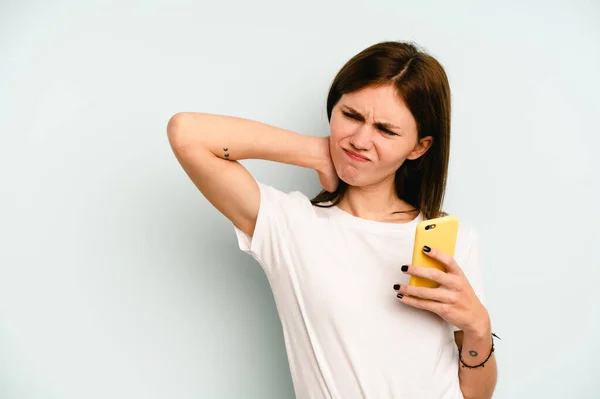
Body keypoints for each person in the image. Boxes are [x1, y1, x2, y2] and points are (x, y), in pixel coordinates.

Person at [167, 41, 497, 399]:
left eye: (386, 130)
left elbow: (476, 396)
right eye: (351, 116)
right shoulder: (289, 226)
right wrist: (316, 152)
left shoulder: (456, 242)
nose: (360, 140)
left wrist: (478, 327)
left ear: (419, 147)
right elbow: (187, 133)